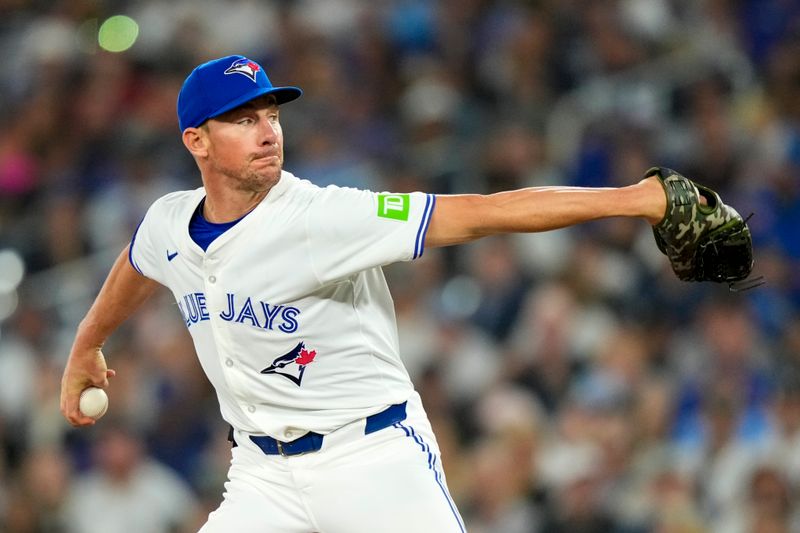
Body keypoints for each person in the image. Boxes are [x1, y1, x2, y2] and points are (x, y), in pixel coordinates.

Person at [60, 55, 667, 532]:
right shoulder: (171, 221)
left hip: (372, 459)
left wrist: (636, 201)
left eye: (272, 114)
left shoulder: (322, 217)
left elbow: (484, 212)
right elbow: (139, 260)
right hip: (261, 476)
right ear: (197, 142)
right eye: (244, 120)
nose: (268, 131)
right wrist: (88, 343)